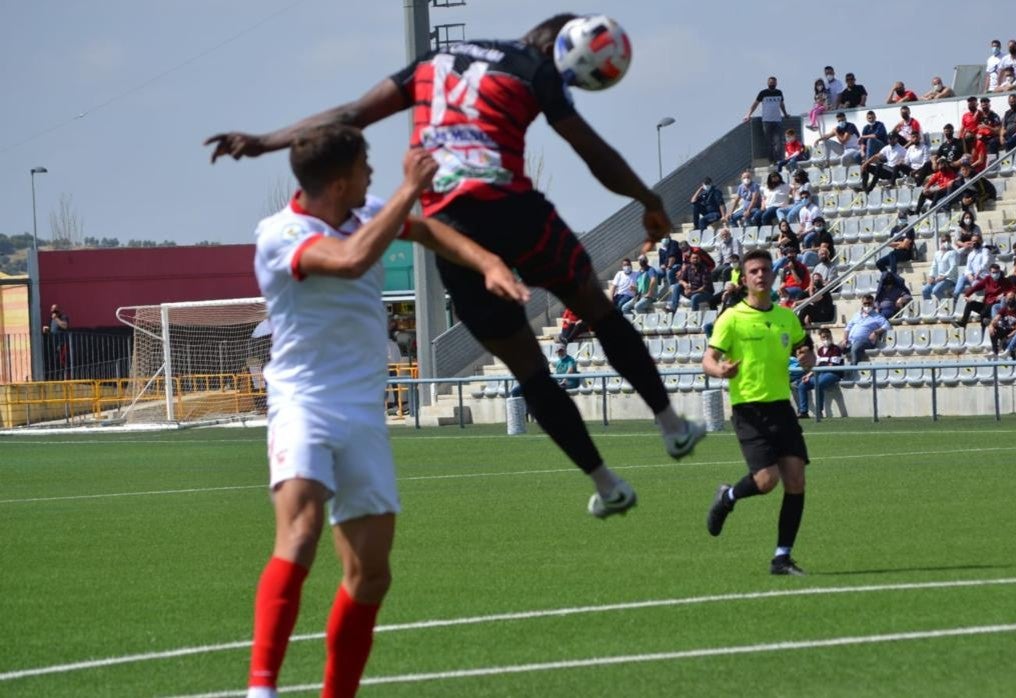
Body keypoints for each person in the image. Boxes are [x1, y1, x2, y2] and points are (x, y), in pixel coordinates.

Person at [206, 14, 709, 524]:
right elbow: (591, 151)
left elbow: (351, 113)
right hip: (515, 208)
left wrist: (264, 141)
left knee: (528, 367)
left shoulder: (433, 62)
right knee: (598, 311)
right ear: (559, 47)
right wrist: (647, 197)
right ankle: (671, 425)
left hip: (452, 224)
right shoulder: (534, 69)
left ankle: (607, 482)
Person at [244, 128, 528, 698]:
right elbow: (350, 260)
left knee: (371, 574)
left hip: (364, 413)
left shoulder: (368, 208)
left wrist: (487, 261)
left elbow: (424, 230)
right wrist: (410, 188)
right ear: (340, 180)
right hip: (303, 404)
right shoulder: (281, 234)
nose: (374, 174)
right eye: (365, 165)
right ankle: (262, 689)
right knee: (299, 533)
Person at [702, 249, 813, 576]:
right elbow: (708, 358)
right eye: (754, 271)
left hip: (782, 406)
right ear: (744, 278)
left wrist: (809, 358)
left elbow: (804, 348)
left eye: (765, 269)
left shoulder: (786, 316)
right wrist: (720, 370)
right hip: (748, 408)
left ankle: (782, 557)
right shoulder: (732, 318)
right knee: (766, 481)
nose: (761, 275)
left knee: (796, 481)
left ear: (773, 274)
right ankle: (728, 497)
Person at [744, 76, 789, 163]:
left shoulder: (779, 92)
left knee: (778, 141)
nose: (772, 84)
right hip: (766, 121)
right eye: (770, 82)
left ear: (776, 83)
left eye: (773, 82)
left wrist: (785, 114)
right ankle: (771, 161)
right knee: (769, 143)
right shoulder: (763, 93)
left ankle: (779, 160)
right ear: (768, 83)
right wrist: (748, 114)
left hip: (777, 120)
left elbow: (782, 104)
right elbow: (755, 104)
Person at [842, 294, 891, 363]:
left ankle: (854, 369)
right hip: (850, 341)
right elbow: (848, 328)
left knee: (855, 348)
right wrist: (845, 339)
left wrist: (875, 332)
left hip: (865, 341)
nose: (867, 305)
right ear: (862, 303)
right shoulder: (856, 315)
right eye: (865, 303)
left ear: (873, 303)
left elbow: (887, 325)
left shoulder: (878, 316)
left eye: (869, 303)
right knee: (837, 348)